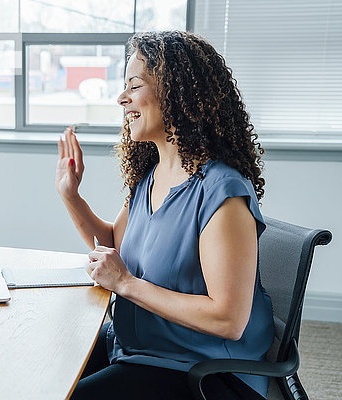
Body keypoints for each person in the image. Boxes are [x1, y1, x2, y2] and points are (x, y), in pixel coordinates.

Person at [55, 31, 274, 400]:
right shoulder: (151, 177)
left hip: (202, 373)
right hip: (139, 352)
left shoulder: (222, 193)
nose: (122, 98)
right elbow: (115, 248)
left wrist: (125, 284)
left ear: (177, 94)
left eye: (134, 85)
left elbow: (229, 319)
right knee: (48, 373)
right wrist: (71, 195)